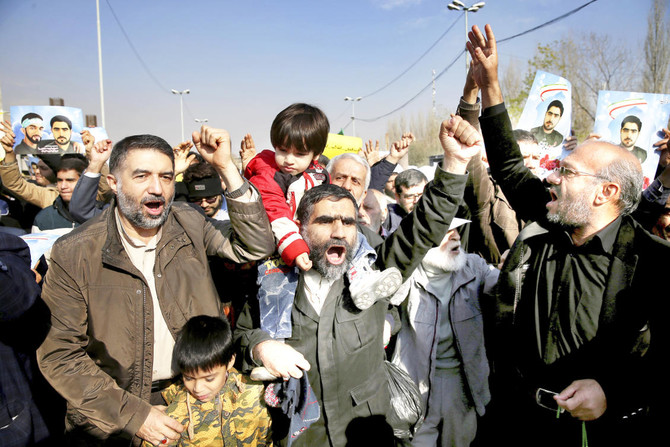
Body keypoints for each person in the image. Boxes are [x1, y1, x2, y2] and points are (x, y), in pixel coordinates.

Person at [467, 23, 669, 446]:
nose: (553, 178)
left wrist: (613, 393)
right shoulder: (548, 222)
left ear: (606, 192)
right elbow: (508, 167)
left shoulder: (654, 261)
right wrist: (490, 86)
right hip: (520, 421)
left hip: (605, 431)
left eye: (567, 172)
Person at [235, 114, 483, 447]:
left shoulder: (372, 269)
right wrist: (262, 347)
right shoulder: (274, 279)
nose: (338, 231)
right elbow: (241, 334)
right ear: (301, 228)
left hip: (366, 430)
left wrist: (454, 163)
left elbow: (424, 226)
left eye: (348, 223)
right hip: (303, 433)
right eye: (325, 221)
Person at [36, 126, 275, 446]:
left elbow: (255, 246)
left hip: (200, 395)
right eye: (141, 176)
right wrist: (133, 414)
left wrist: (226, 169)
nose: (157, 188)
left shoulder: (189, 222)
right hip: (117, 412)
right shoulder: (75, 252)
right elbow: (59, 353)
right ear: (113, 183)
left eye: (165, 177)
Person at [392, 217, 499, 447]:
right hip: (415, 386)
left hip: (462, 386)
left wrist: (513, 271)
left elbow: (504, 288)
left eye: (457, 230)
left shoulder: (474, 267)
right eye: (446, 231)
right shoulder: (408, 273)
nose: (456, 236)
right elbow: (387, 305)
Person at [140, 315, 272, 447]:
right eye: (189, 378)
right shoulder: (177, 411)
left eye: (209, 379)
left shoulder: (255, 393)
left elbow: (267, 438)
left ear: (230, 361)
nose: (197, 388)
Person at [31, 155, 87, 232]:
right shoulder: (44, 218)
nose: (63, 186)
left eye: (70, 180)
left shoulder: (101, 215)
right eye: (60, 180)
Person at [383, 169, 428, 234]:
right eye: (410, 196)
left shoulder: (439, 214)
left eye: (421, 195)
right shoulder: (387, 218)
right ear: (397, 197)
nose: (416, 200)